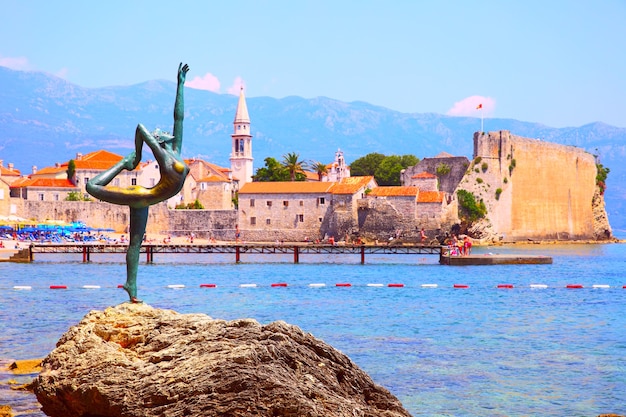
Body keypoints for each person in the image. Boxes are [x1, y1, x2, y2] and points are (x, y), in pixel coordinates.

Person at [86, 63, 190, 303]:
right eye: (162, 132)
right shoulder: (163, 156)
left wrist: (181, 85)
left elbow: (179, 118)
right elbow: (141, 128)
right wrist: (137, 156)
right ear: (159, 139)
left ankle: (131, 286)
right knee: (92, 187)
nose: (167, 131)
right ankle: (123, 163)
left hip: (147, 198)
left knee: (135, 243)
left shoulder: (175, 150)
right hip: (141, 195)